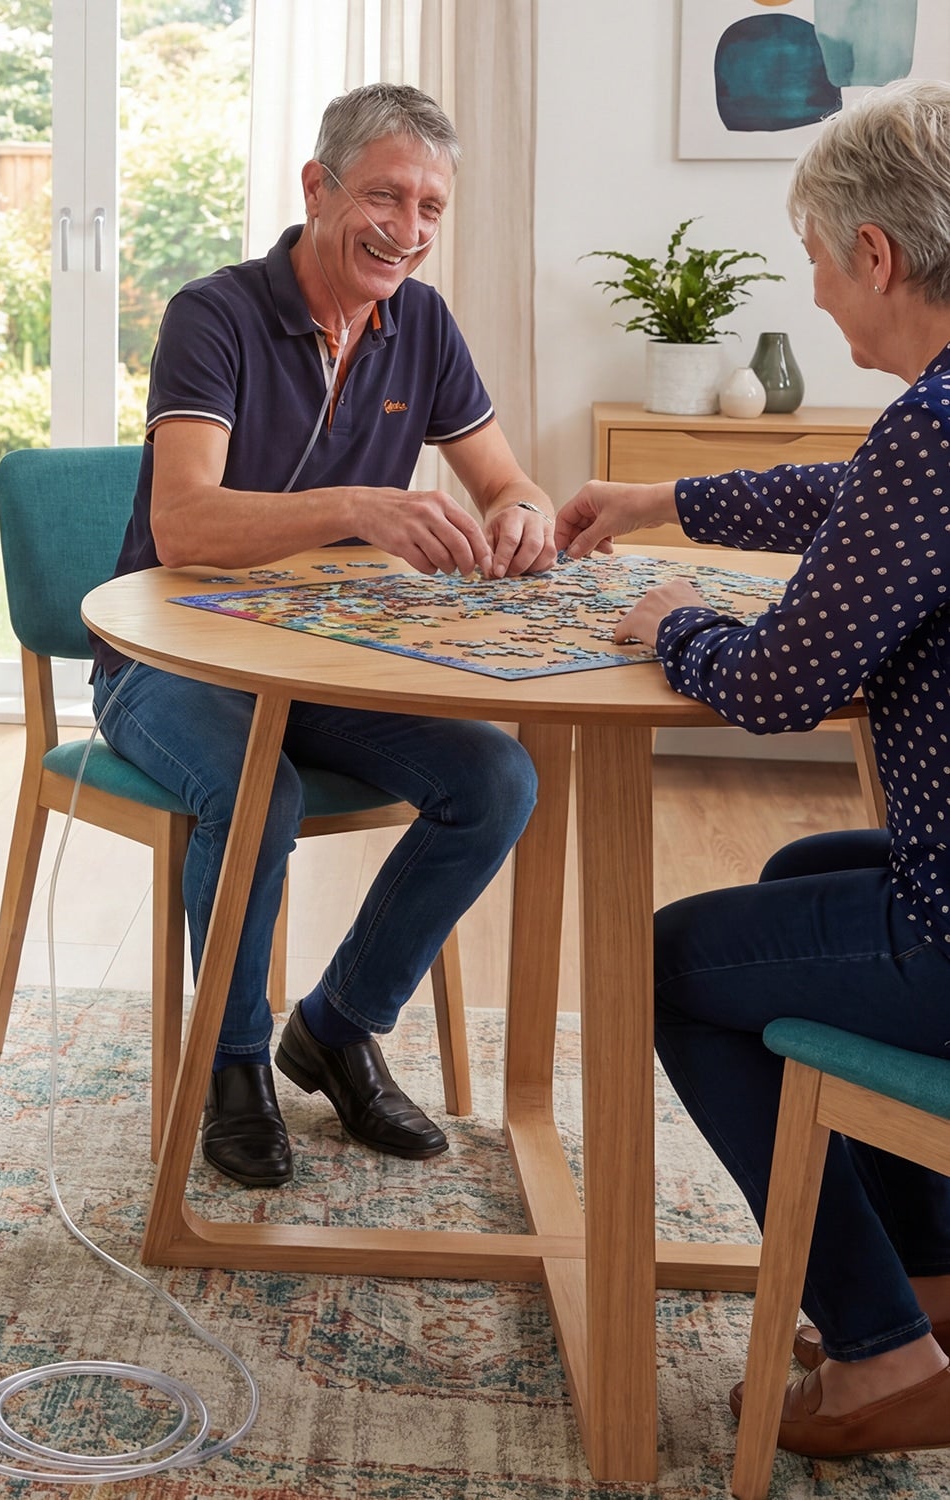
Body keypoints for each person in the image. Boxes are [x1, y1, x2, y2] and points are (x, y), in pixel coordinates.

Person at [555, 78, 950, 1462]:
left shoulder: (938, 429)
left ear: (878, 257)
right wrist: (665, 499)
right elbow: (851, 495)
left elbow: (779, 687)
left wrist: (678, 621)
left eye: (818, 266)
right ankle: (934, 1290)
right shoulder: (937, 425)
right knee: (799, 870)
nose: (825, 303)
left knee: (666, 967)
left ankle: (880, 1350)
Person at [90, 83, 554, 1188]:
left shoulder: (422, 324)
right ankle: (235, 1061)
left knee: (496, 777)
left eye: (433, 205)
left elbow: (503, 478)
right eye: (387, 195)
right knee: (265, 794)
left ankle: (338, 1025)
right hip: (168, 659)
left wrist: (524, 510)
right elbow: (182, 521)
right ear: (317, 187)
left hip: (322, 665)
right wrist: (360, 505)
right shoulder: (216, 313)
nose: (411, 227)